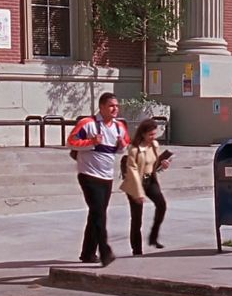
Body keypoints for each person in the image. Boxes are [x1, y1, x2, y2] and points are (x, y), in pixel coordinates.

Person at [67, 92, 130, 267]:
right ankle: (104, 251)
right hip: (88, 174)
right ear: (102, 107)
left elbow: (123, 147)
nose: (115, 109)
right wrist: (91, 142)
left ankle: (87, 253)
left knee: (96, 214)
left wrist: (121, 146)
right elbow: (70, 142)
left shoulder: (119, 127)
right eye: (111, 105)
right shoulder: (87, 124)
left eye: (117, 106)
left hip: (106, 176)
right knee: (99, 213)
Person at [120, 119, 171, 255]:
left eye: (155, 134)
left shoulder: (154, 145)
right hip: (135, 182)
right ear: (143, 134)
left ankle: (153, 237)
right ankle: (137, 249)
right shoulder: (134, 148)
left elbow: (153, 164)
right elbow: (132, 170)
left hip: (150, 180)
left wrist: (163, 164)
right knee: (137, 217)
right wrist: (138, 193)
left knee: (162, 205)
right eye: (150, 135)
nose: (153, 137)